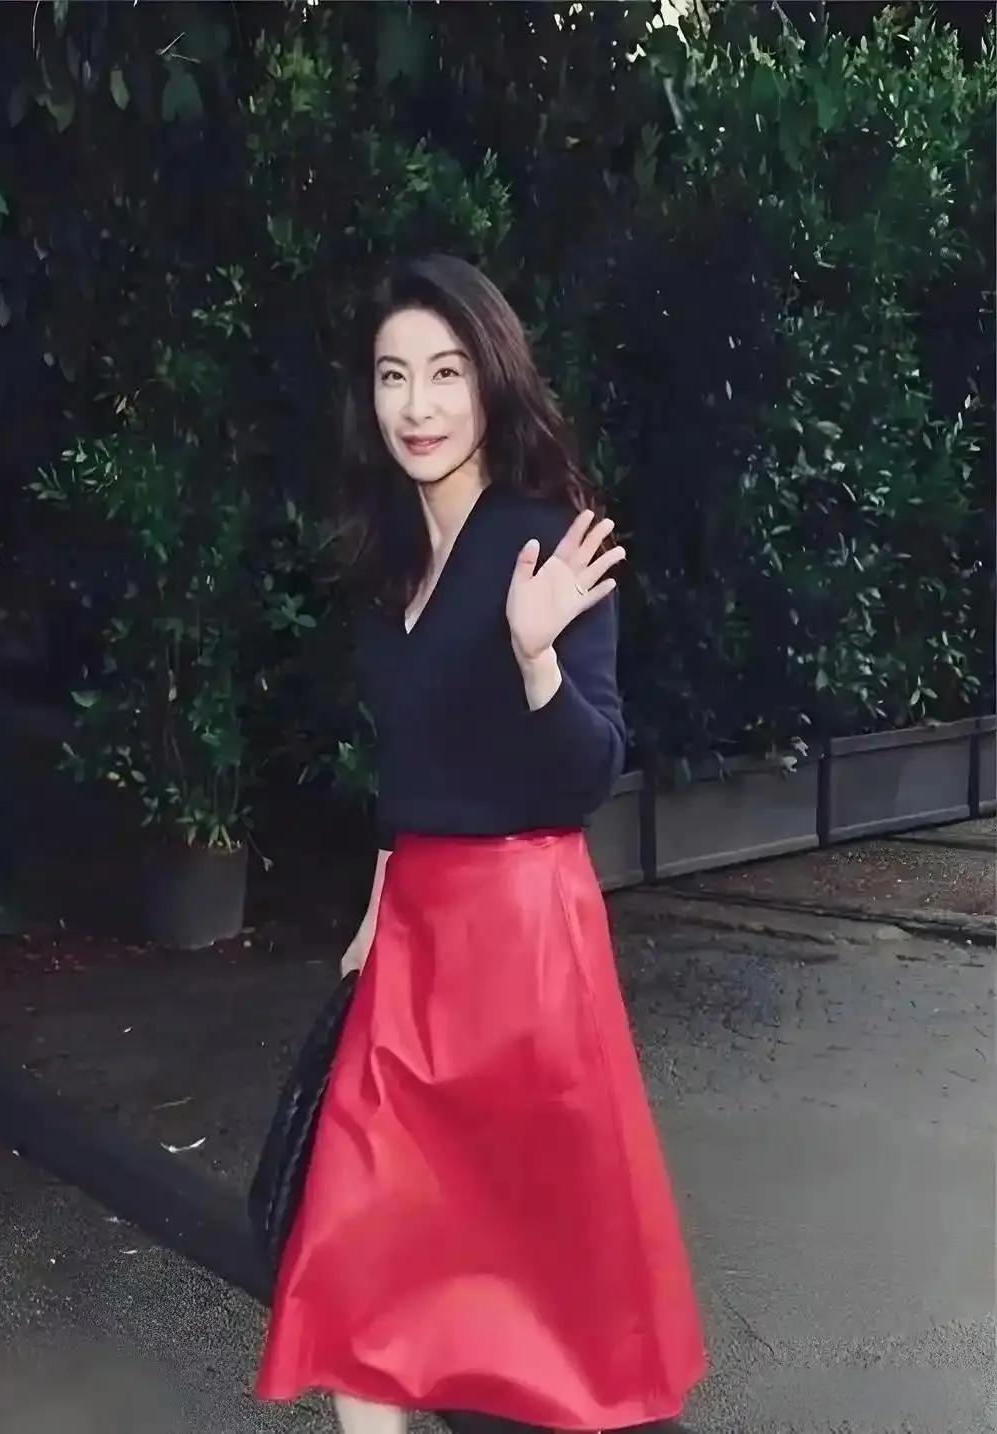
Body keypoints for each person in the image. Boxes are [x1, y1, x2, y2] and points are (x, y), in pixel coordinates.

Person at [256, 255, 705, 1434]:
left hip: (523, 945)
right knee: (355, 1261)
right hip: (413, 942)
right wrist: (377, 903)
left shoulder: (548, 541)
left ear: (492, 380)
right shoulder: (385, 555)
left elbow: (589, 773)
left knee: (547, 1293)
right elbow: (405, 763)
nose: (418, 405)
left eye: (446, 373)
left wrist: (537, 656)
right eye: (393, 375)